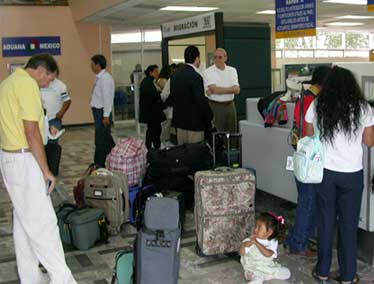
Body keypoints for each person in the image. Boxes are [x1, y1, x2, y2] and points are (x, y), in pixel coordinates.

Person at [0, 53, 77, 283]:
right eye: (50, 79)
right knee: (45, 224)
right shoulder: (27, 85)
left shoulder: (7, 83)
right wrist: (46, 170)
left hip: (9, 157)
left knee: (24, 223)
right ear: (42, 71)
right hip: (24, 160)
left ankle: (31, 277)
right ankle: (63, 279)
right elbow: (31, 131)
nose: (49, 84)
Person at [305, 66, 374, 284]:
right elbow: (369, 141)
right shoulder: (363, 108)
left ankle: (323, 270)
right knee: (348, 225)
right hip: (352, 175)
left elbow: (308, 135)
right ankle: (347, 275)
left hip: (325, 173)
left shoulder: (318, 104)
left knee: (325, 222)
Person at [286, 66, 331, 257]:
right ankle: (299, 243)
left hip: (301, 154)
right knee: (309, 202)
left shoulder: (304, 96)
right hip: (312, 159)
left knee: (305, 200)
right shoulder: (317, 100)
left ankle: (296, 238)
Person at [170, 45, 213, 145]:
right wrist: (210, 116)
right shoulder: (196, 77)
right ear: (197, 58)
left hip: (180, 123)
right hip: (195, 124)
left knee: (183, 154)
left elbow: (173, 97)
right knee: (195, 154)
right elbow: (200, 101)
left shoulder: (175, 75)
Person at [239, 212, 291, 284]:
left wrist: (257, 243)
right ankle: (259, 278)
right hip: (253, 268)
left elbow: (268, 254)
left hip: (267, 267)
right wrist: (244, 245)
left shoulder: (272, 242)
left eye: (259, 227)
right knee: (255, 276)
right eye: (256, 226)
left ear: (269, 232)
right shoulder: (252, 238)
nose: (255, 229)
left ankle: (266, 276)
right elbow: (241, 253)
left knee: (286, 272)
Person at [204, 48, 240, 133]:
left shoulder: (232, 70)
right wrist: (231, 89)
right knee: (218, 133)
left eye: (220, 57)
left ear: (225, 58)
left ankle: (232, 147)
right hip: (215, 106)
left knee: (232, 132)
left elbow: (237, 90)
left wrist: (218, 90)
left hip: (230, 105)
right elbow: (215, 90)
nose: (217, 60)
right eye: (215, 57)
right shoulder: (208, 72)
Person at [90, 54, 115, 168]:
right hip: (99, 112)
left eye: (92, 64)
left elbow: (107, 98)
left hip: (102, 113)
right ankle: (112, 155)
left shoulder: (105, 78)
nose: (91, 66)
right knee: (104, 138)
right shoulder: (100, 77)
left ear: (98, 65)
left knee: (101, 139)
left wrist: (106, 115)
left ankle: (99, 163)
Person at [139, 64, 166, 149]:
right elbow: (152, 95)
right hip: (151, 113)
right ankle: (154, 147)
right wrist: (159, 94)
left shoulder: (150, 81)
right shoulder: (147, 82)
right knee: (154, 130)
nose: (158, 73)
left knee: (152, 130)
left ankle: (150, 147)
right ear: (150, 72)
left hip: (151, 112)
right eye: (156, 71)